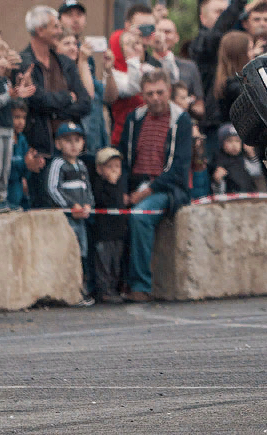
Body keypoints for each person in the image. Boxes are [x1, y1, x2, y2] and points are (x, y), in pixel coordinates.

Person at [120, 70, 193, 302]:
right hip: (136, 181)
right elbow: (124, 157)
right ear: (142, 94)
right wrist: (121, 191)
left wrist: (146, 192)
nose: (155, 98)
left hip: (165, 187)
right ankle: (110, 283)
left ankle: (141, 286)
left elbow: (179, 169)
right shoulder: (135, 119)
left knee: (141, 216)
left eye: (160, 92)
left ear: (169, 92)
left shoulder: (181, 119)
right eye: (149, 93)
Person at [19, 6, 91, 209]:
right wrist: (67, 97)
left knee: (74, 209)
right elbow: (36, 100)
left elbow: (85, 103)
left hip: (70, 152)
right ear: (40, 31)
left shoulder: (66, 63)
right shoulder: (24, 62)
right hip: (42, 152)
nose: (61, 31)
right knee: (44, 209)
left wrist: (54, 106)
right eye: (56, 27)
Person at [0, 37, 35, 212]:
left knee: (5, 166)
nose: (3, 62)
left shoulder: (5, 81)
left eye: (4, 57)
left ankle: (2, 198)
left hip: (7, 129)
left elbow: (11, 97)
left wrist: (18, 90)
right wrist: (9, 95)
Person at [191, 0, 264, 98]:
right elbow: (216, 35)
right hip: (213, 115)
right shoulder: (201, 42)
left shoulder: (234, 40)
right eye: (219, 12)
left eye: (226, 12)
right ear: (203, 17)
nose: (224, 17)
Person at [44, 121, 95, 306]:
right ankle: (67, 291)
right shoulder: (58, 164)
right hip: (66, 219)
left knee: (81, 253)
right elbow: (53, 189)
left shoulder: (81, 166)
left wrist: (88, 205)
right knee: (67, 253)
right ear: (58, 144)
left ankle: (80, 290)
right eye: (67, 140)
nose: (73, 144)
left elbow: (87, 189)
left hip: (81, 219)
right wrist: (70, 206)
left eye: (77, 140)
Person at [90, 146, 128, 303]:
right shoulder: (99, 185)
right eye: (109, 167)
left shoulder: (120, 184)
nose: (114, 170)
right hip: (104, 232)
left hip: (118, 232)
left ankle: (114, 287)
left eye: (117, 167)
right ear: (99, 169)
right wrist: (111, 184)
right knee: (104, 262)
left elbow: (121, 203)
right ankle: (104, 290)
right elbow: (104, 201)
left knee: (116, 261)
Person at [155, 18, 204, 118]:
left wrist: (186, 104)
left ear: (176, 37)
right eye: (159, 32)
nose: (163, 36)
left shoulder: (189, 66)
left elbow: (200, 107)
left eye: (167, 32)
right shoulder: (145, 64)